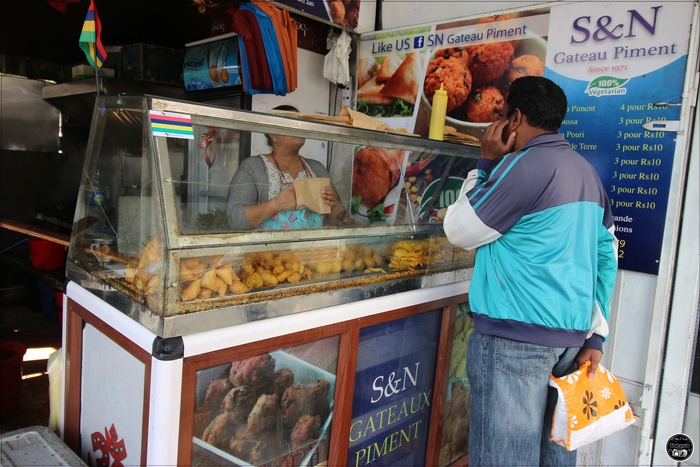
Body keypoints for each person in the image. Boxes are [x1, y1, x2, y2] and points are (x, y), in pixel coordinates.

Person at [443, 76, 618, 466]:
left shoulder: (522, 166)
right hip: (571, 343)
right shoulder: (586, 173)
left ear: (515, 118)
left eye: (502, 115)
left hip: (514, 341)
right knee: (552, 456)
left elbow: (459, 229)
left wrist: (485, 163)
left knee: (505, 459)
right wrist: (597, 336)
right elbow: (608, 257)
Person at [227, 105, 342, 230]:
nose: (299, 127)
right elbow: (235, 220)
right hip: (270, 249)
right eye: (292, 123)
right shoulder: (252, 167)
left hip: (312, 249)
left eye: (301, 123)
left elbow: (340, 215)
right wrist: (276, 204)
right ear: (273, 134)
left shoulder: (317, 168)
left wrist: (333, 206)